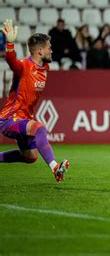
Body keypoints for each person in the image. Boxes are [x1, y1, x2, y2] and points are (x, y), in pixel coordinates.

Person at [0, 19, 69, 182]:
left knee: (30, 157)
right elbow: (11, 61)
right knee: (39, 129)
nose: (51, 51)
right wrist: (10, 45)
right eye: (49, 48)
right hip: (9, 119)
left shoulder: (45, 68)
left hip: (24, 118)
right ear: (39, 51)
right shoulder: (23, 66)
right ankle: (55, 168)